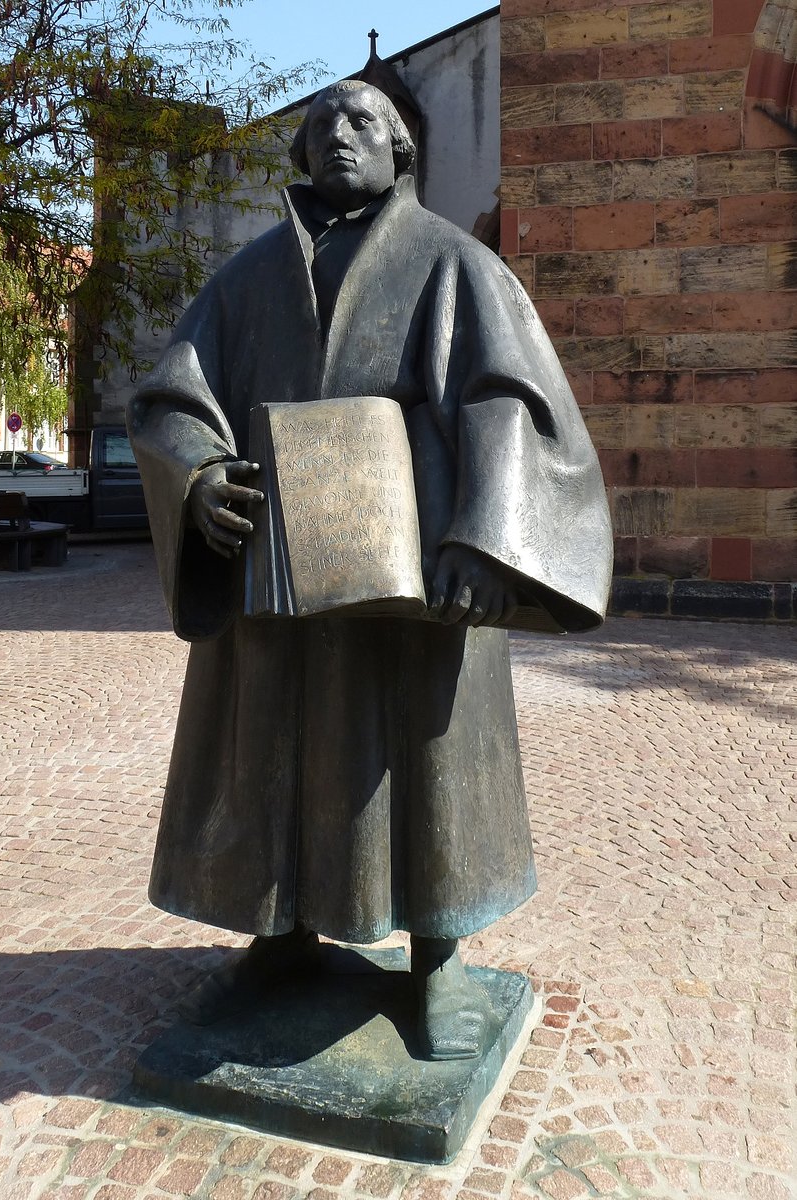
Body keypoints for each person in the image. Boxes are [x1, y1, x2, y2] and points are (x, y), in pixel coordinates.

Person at [128, 80, 612, 1060]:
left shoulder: (455, 265)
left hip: (419, 572)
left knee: (428, 756)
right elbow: (173, 393)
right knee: (272, 741)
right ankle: (279, 934)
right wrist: (200, 478)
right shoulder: (248, 277)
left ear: (401, 151)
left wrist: (485, 537)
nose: (339, 137)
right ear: (300, 158)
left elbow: (512, 401)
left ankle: (439, 963)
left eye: (362, 123)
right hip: (279, 569)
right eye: (320, 128)